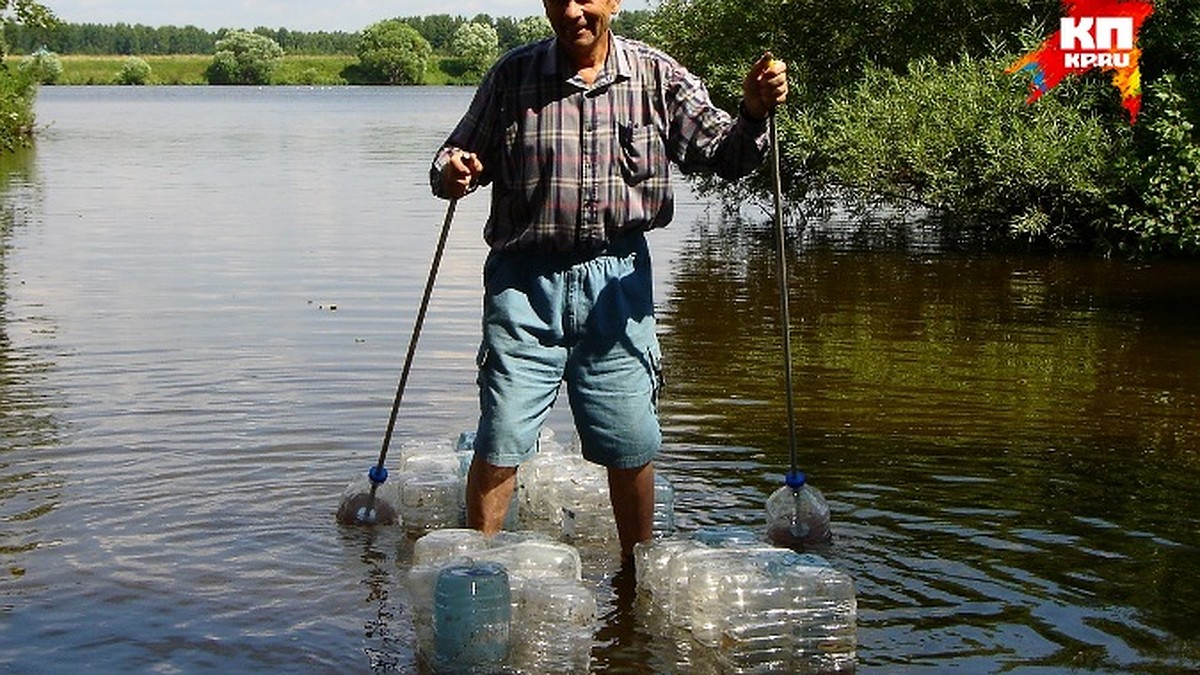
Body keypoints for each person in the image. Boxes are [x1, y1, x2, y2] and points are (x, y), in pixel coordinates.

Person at [430, 0, 787, 562]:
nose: (573, 10)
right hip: (524, 285)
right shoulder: (513, 75)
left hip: (618, 285)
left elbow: (728, 153)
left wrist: (753, 110)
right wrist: (452, 171)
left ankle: (635, 586)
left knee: (630, 443)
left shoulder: (655, 75)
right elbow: (453, 157)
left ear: (614, 2)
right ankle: (478, 574)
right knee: (500, 437)